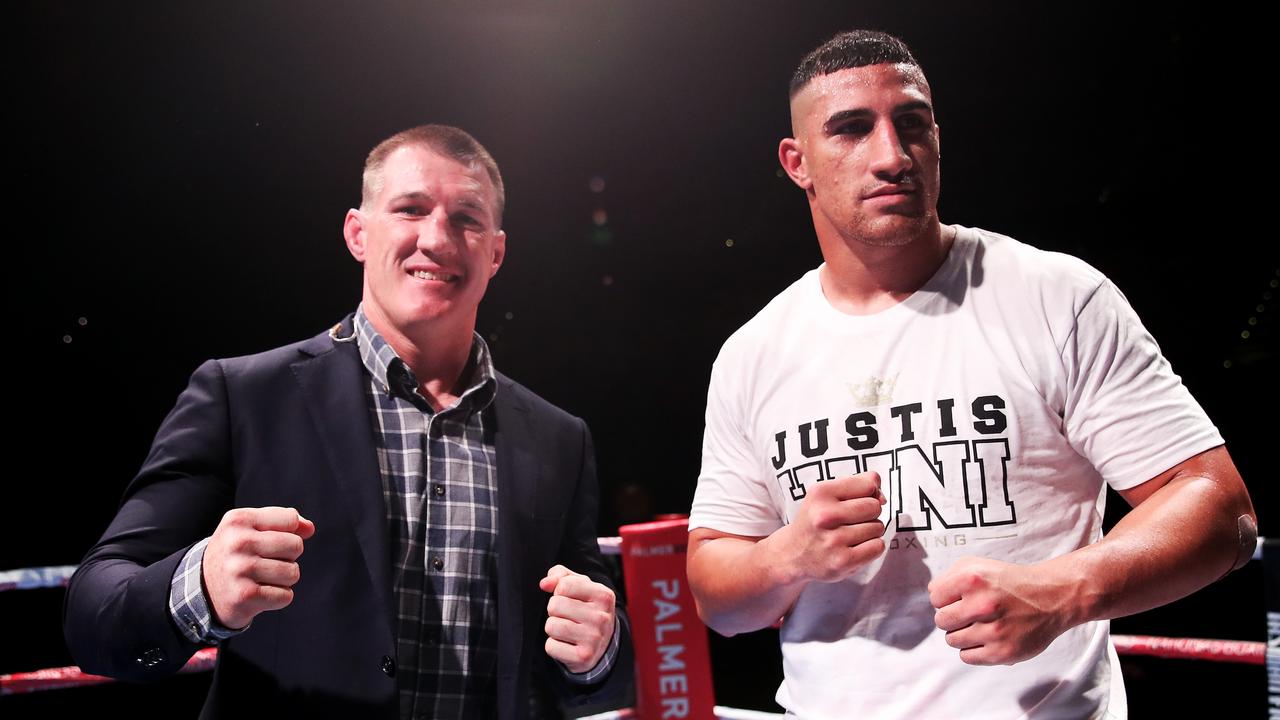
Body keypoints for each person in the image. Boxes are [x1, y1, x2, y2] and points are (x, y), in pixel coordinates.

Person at [685, 30, 1256, 719]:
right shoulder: (755, 353)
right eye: (852, 130)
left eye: (912, 124)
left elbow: (1222, 510)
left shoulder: (1056, 298)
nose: (891, 156)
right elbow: (717, 597)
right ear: (797, 162)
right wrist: (790, 556)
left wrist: (1067, 589)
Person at [64, 124, 633, 719]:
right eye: (410, 209)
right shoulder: (246, 397)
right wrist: (199, 585)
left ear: (495, 252)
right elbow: (93, 614)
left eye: (467, 218)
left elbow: (592, 659)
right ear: (358, 233)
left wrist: (599, 649)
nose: (437, 239)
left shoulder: (559, 439)